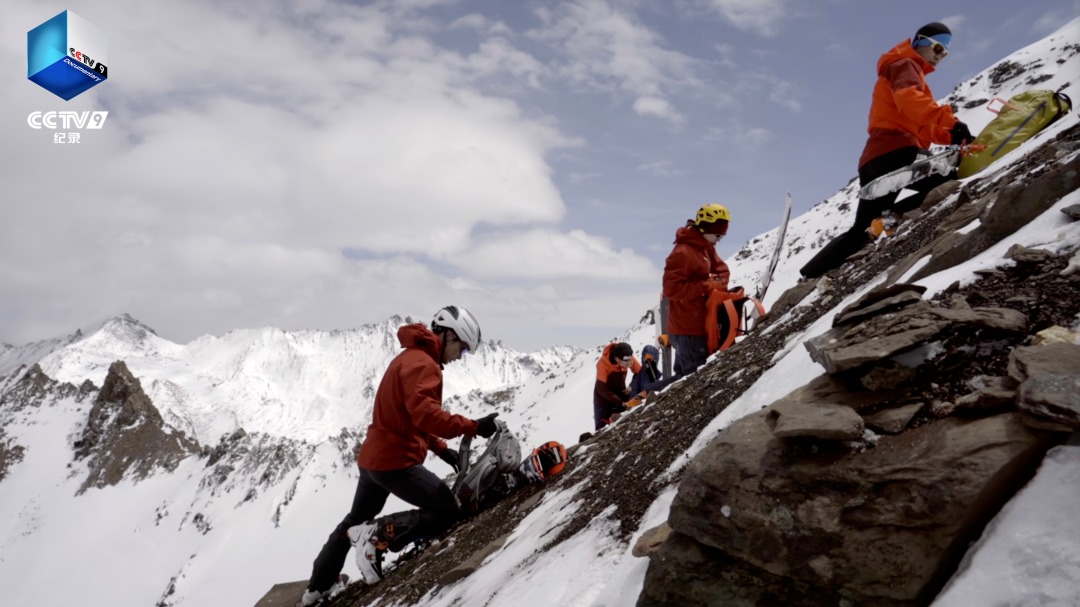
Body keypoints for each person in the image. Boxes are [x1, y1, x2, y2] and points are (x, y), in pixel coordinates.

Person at [301, 305, 500, 604]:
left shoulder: (411, 357)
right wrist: (473, 427)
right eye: (462, 347)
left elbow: (409, 416)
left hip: (374, 461)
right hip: (395, 463)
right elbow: (426, 415)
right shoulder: (424, 364)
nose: (461, 356)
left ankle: (318, 586)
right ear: (446, 335)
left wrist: (441, 449)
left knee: (353, 520)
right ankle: (376, 536)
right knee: (447, 510)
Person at [800, 22, 972, 279]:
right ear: (920, 42)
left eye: (945, 52)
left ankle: (810, 274)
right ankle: (894, 217)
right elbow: (910, 100)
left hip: (875, 157)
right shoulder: (905, 65)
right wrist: (954, 125)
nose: (940, 55)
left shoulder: (904, 69)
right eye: (937, 47)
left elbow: (923, 125)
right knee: (950, 180)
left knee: (862, 229)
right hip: (897, 150)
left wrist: (952, 134)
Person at [662, 204, 732, 375]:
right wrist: (706, 286)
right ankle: (651, 394)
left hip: (699, 324)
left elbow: (722, 269)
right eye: (718, 235)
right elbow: (671, 289)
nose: (719, 239)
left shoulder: (705, 246)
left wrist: (719, 282)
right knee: (691, 378)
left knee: (684, 379)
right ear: (705, 228)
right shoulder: (683, 253)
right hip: (687, 329)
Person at [593, 342, 641, 430]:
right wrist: (620, 402)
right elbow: (601, 388)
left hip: (620, 392)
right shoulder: (602, 363)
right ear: (617, 358)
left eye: (630, 359)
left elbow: (639, 372)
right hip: (603, 398)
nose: (628, 363)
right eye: (625, 361)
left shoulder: (626, 356)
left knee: (622, 422)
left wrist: (631, 386)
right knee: (601, 428)